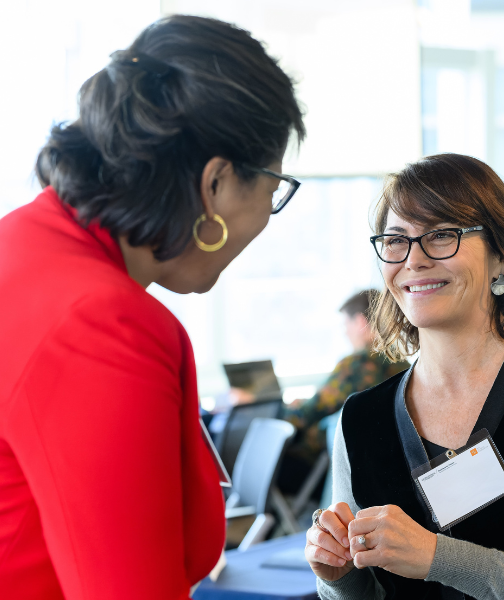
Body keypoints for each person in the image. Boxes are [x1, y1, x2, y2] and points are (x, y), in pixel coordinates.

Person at [0, 15, 304, 600]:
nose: (267, 215)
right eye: (272, 190)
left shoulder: (24, 245)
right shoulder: (102, 324)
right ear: (215, 184)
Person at [305, 153, 504, 600]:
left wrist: (436, 557)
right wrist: (339, 577)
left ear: (501, 255)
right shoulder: (361, 419)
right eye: (395, 240)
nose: (414, 260)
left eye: (442, 235)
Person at [279, 291, 409, 496]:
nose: (344, 332)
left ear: (359, 321)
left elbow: (308, 413)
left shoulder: (357, 365)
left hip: (333, 472)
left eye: (345, 324)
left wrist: (277, 410)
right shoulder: (401, 362)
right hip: (385, 471)